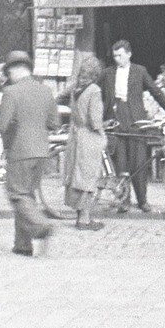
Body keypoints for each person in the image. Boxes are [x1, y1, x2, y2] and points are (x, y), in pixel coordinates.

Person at [0, 52, 57, 256]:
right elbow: (54, 123)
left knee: (17, 194)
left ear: (14, 70)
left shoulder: (11, 92)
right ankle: (22, 244)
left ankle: (41, 225)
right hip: (41, 151)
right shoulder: (46, 91)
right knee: (27, 196)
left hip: (20, 150)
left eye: (8, 72)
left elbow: (2, 124)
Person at [101, 38, 165, 214]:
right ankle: (124, 200)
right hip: (116, 120)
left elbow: (155, 90)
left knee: (139, 163)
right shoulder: (107, 73)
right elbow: (95, 92)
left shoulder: (140, 71)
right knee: (121, 164)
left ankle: (142, 200)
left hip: (136, 121)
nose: (117, 59)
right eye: (114, 56)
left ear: (129, 54)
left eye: (120, 56)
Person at [61, 52, 108, 231]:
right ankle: (85, 220)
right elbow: (95, 120)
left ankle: (80, 217)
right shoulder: (94, 90)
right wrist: (102, 133)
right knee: (89, 178)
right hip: (89, 137)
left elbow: (61, 98)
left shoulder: (75, 89)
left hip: (76, 135)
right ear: (96, 74)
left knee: (78, 178)